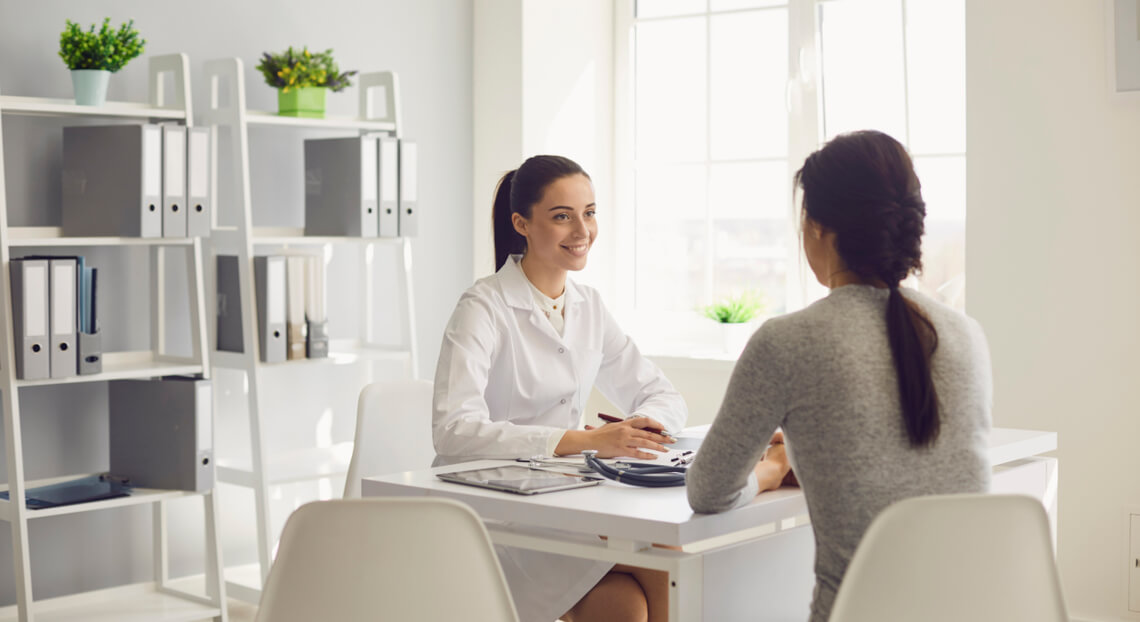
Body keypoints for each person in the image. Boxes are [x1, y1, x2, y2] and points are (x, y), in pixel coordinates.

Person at [686, 130, 993, 622]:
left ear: (818, 229)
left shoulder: (788, 340)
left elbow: (707, 492)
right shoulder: (965, 334)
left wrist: (770, 469)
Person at [433, 154, 688, 622]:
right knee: (658, 570)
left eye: (589, 213)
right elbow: (454, 431)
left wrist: (641, 428)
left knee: (636, 595)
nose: (582, 230)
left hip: (571, 502)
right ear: (521, 223)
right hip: (493, 517)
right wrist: (582, 442)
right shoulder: (483, 306)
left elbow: (665, 396)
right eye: (561, 216)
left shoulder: (588, 305)